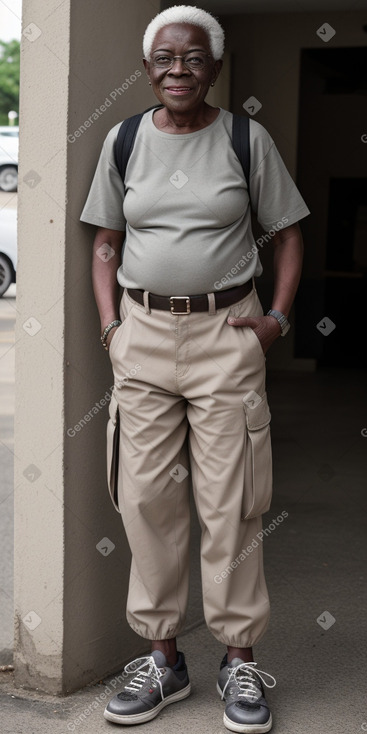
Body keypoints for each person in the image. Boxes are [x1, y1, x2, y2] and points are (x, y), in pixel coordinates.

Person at [80, 5, 310, 732]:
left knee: (233, 503)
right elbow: (105, 244)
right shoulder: (123, 141)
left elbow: (289, 233)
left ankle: (239, 663)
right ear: (147, 68)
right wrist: (112, 328)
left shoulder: (245, 139)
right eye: (164, 59)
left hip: (226, 335)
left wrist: (274, 319)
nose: (177, 70)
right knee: (146, 502)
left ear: (212, 67)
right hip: (142, 337)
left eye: (192, 58)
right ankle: (164, 663)